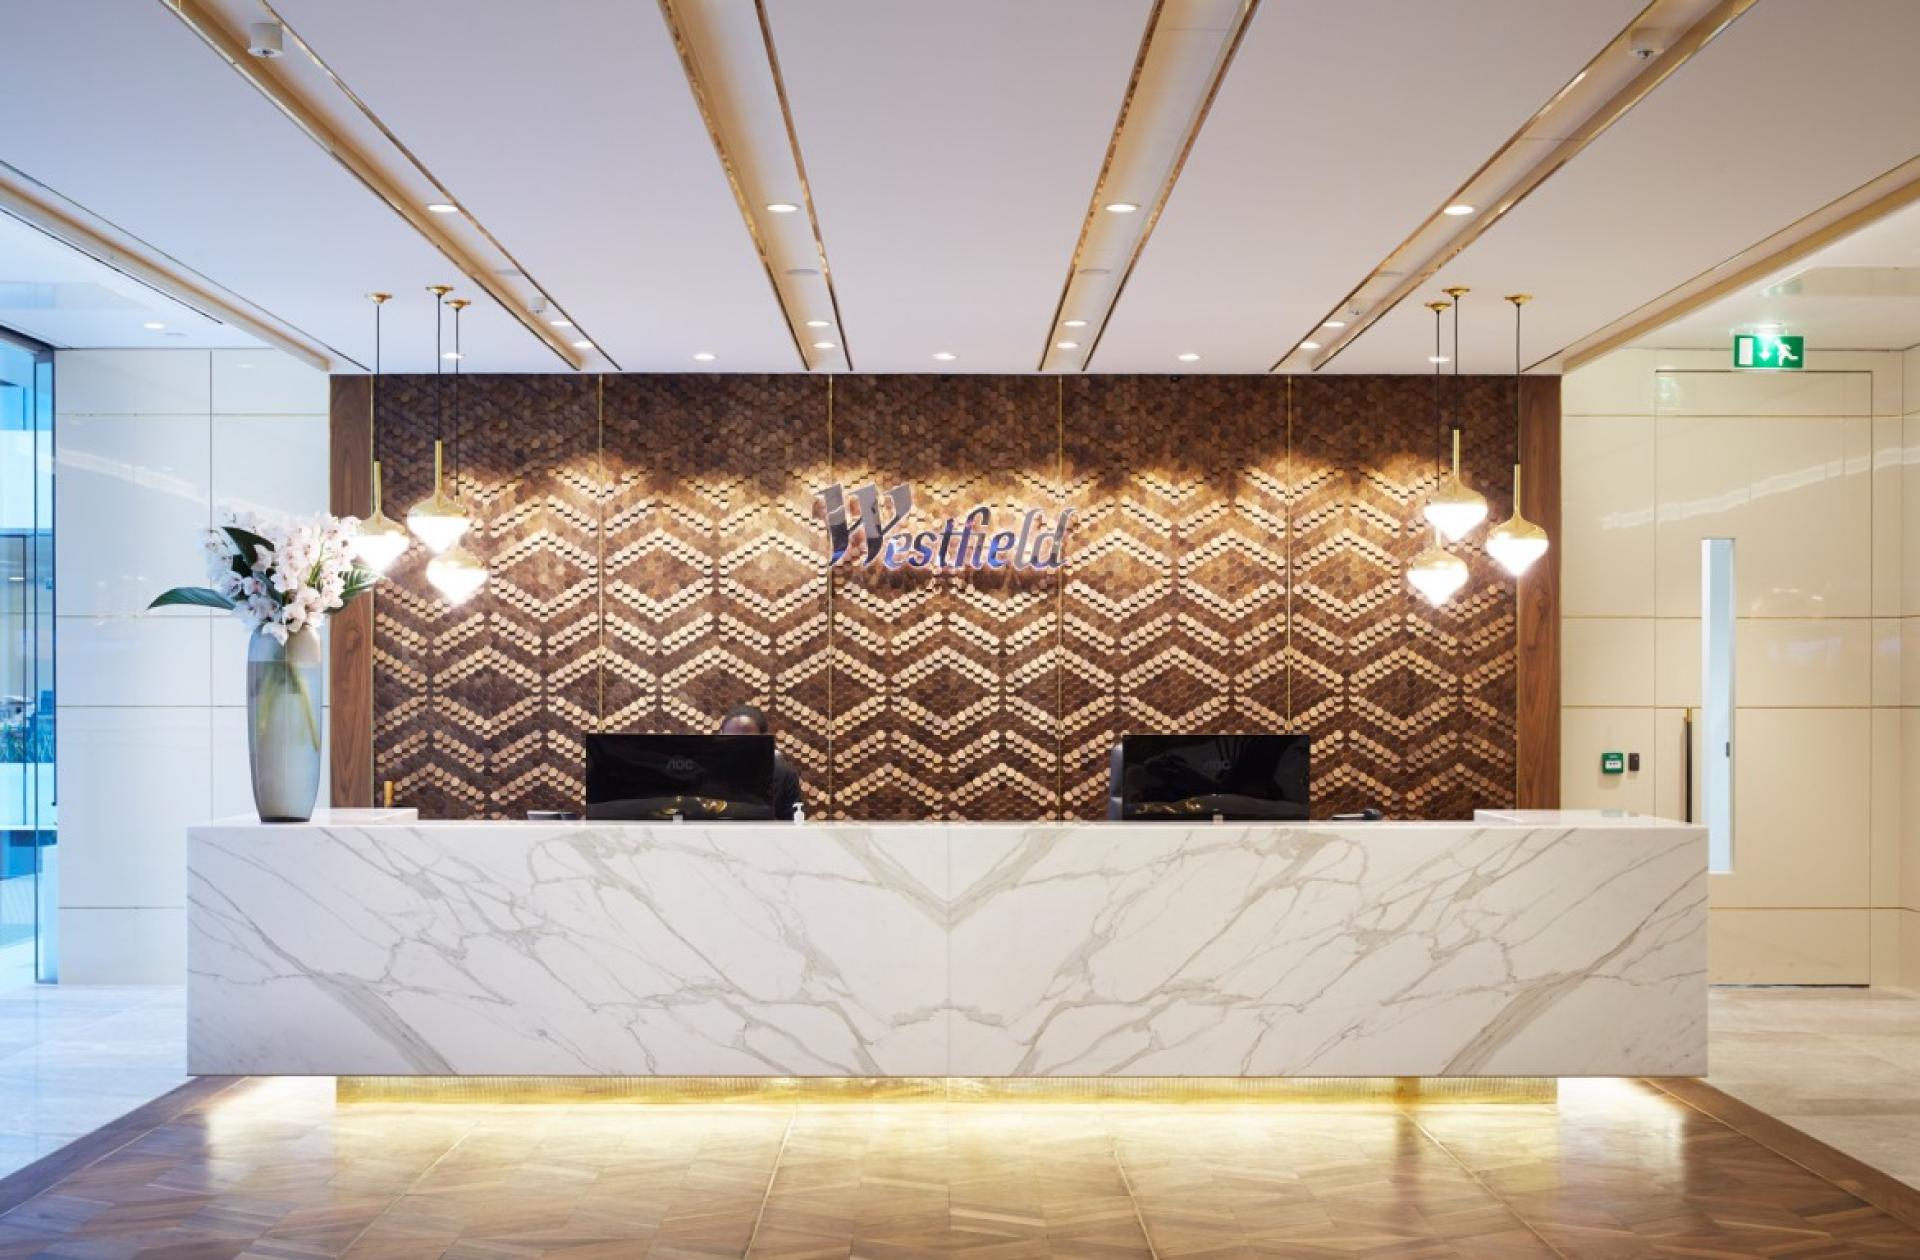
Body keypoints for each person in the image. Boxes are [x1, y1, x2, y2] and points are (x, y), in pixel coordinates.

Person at [718, 703, 803, 821]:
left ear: (764, 739)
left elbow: (794, 825)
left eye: (747, 740)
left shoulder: (784, 774)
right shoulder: (703, 771)